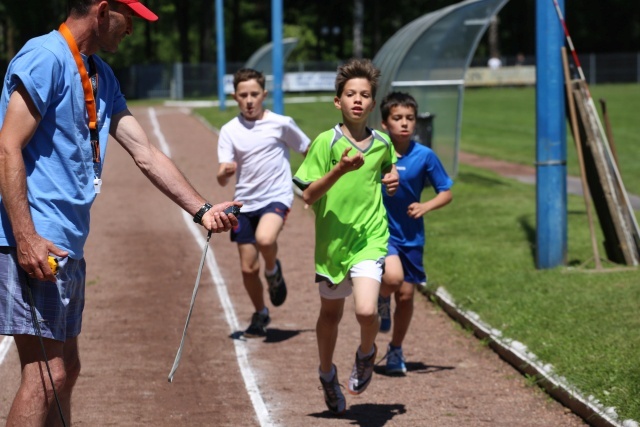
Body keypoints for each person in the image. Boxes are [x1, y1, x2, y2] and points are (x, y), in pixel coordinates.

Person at [0, 1, 240, 425]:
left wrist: (201, 209)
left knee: (65, 370)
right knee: (45, 374)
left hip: (65, 243)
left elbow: (144, 152)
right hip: (37, 240)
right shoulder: (46, 57)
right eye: (130, 19)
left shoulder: (100, 75)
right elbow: (7, 146)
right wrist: (26, 237)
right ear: (103, 10)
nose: (132, 31)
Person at [293, 58, 399, 415]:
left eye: (365, 95)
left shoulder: (383, 142)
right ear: (337, 101)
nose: (357, 100)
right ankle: (327, 373)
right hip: (331, 245)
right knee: (330, 315)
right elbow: (307, 195)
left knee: (367, 309)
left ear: (372, 103)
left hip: (369, 238)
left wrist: (393, 178)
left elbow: (387, 168)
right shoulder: (325, 143)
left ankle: (366, 354)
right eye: (350, 94)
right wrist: (339, 168)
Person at [217, 68, 311, 338]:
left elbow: (309, 150)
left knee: (266, 240)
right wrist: (224, 173)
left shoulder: (281, 123)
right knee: (248, 268)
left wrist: (310, 185)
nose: (249, 100)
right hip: (244, 202)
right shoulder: (229, 131)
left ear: (264, 95)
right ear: (235, 97)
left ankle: (273, 272)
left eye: (254, 94)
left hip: (276, 196)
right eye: (243, 95)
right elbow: (222, 176)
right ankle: (260, 312)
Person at [376, 92, 453, 375]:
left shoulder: (425, 156)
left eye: (409, 118)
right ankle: (382, 298)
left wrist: (426, 206)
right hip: (381, 231)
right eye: (397, 118)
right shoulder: (375, 152)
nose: (405, 124)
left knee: (406, 296)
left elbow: (446, 192)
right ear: (385, 123)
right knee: (393, 278)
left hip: (411, 234)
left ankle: (395, 349)